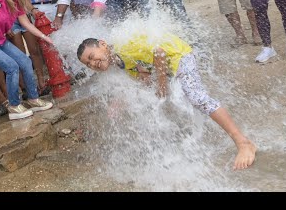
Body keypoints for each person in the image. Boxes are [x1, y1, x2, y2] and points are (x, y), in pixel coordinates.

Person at [76, 35, 256, 171]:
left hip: (179, 56)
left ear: (103, 44)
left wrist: (162, 86)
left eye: (92, 56)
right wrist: (122, 100)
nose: (93, 63)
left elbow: (159, 52)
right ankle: (186, 142)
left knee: (197, 98)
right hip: (169, 65)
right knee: (161, 102)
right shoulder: (118, 59)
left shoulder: (124, 47)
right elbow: (144, 73)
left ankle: (243, 142)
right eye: (88, 64)